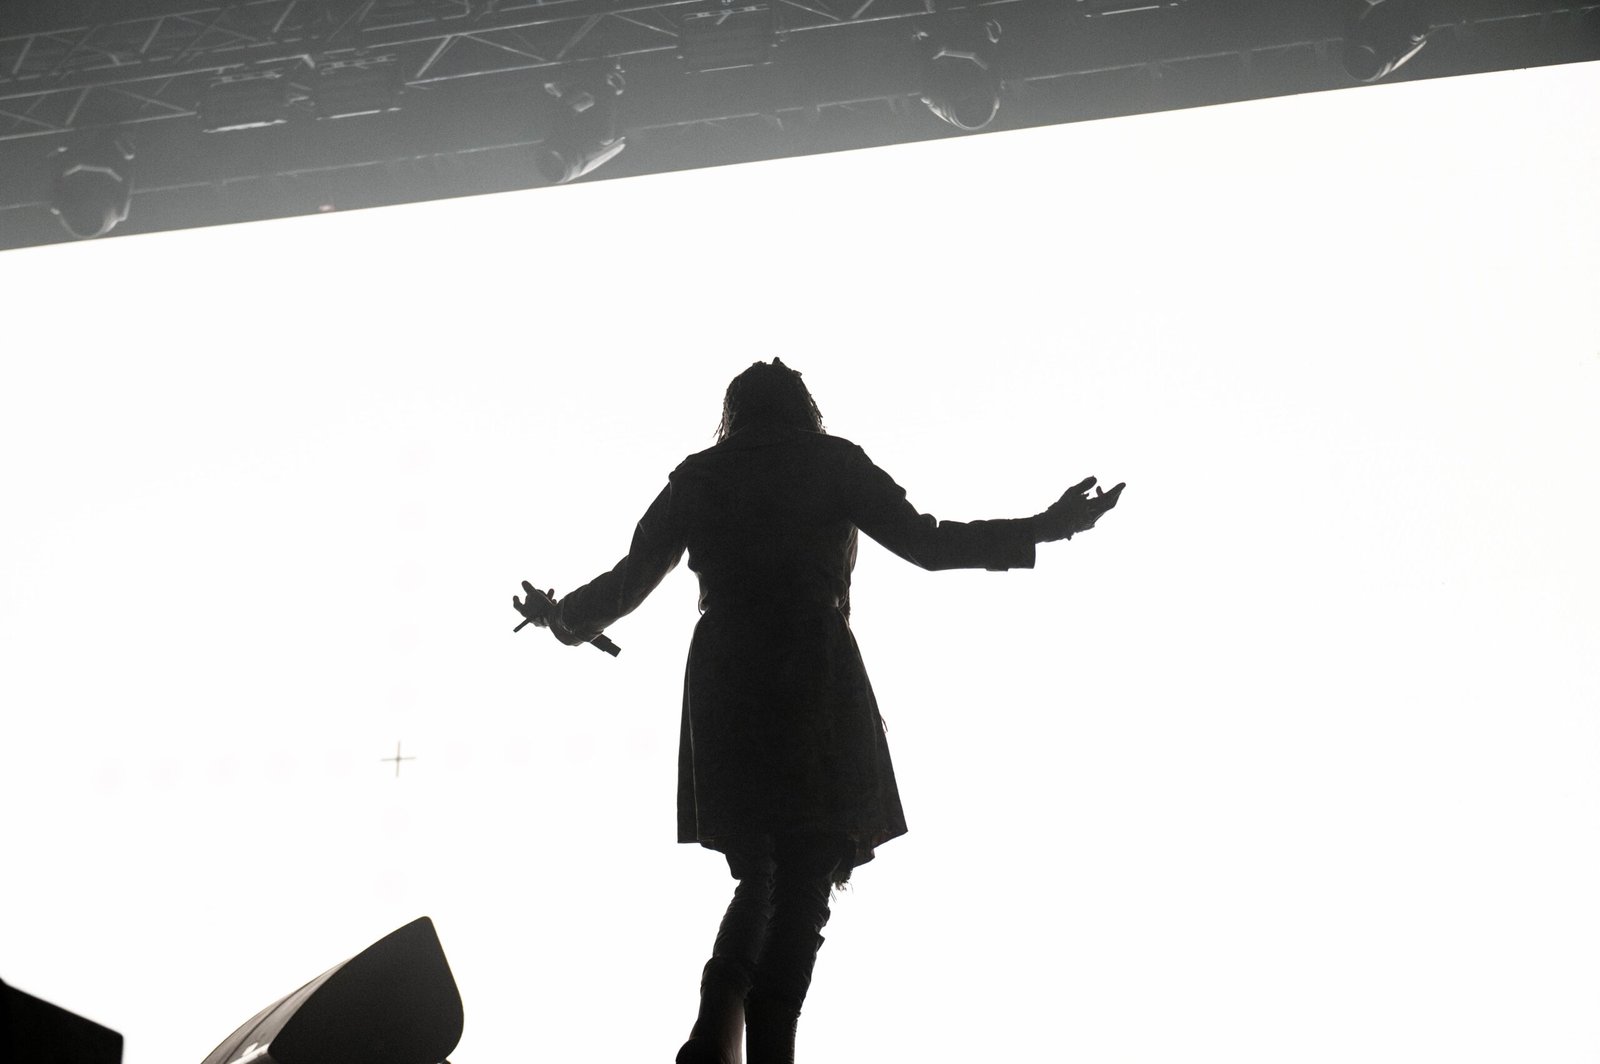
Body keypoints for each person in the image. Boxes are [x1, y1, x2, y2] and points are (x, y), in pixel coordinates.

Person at [515, 359, 1123, 1064]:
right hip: (810, 666)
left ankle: (715, 1031)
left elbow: (626, 583)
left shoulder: (699, 477)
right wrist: (1048, 526)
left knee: (761, 874)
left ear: (733, 413)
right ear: (804, 408)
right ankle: (768, 1039)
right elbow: (929, 544)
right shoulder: (831, 462)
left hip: (726, 674)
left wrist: (563, 620)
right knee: (806, 867)